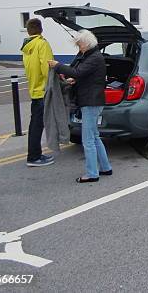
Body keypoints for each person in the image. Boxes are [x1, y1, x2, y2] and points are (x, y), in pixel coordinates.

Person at [48, 30, 112, 183]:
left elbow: (77, 72)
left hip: (90, 102)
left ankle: (92, 174)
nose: (78, 47)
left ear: (86, 43)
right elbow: (85, 76)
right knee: (95, 137)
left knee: (88, 140)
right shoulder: (94, 56)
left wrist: (58, 66)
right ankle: (105, 167)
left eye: (79, 44)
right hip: (94, 101)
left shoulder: (93, 57)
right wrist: (74, 80)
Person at [21, 18, 55, 167]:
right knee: (38, 125)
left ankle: (34, 154)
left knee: (34, 124)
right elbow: (47, 68)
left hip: (34, 89)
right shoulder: (42, 44)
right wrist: (57, 83)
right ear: (41, 29)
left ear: (29, 30)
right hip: (43, 90)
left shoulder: (27, 46)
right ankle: (34, 157)